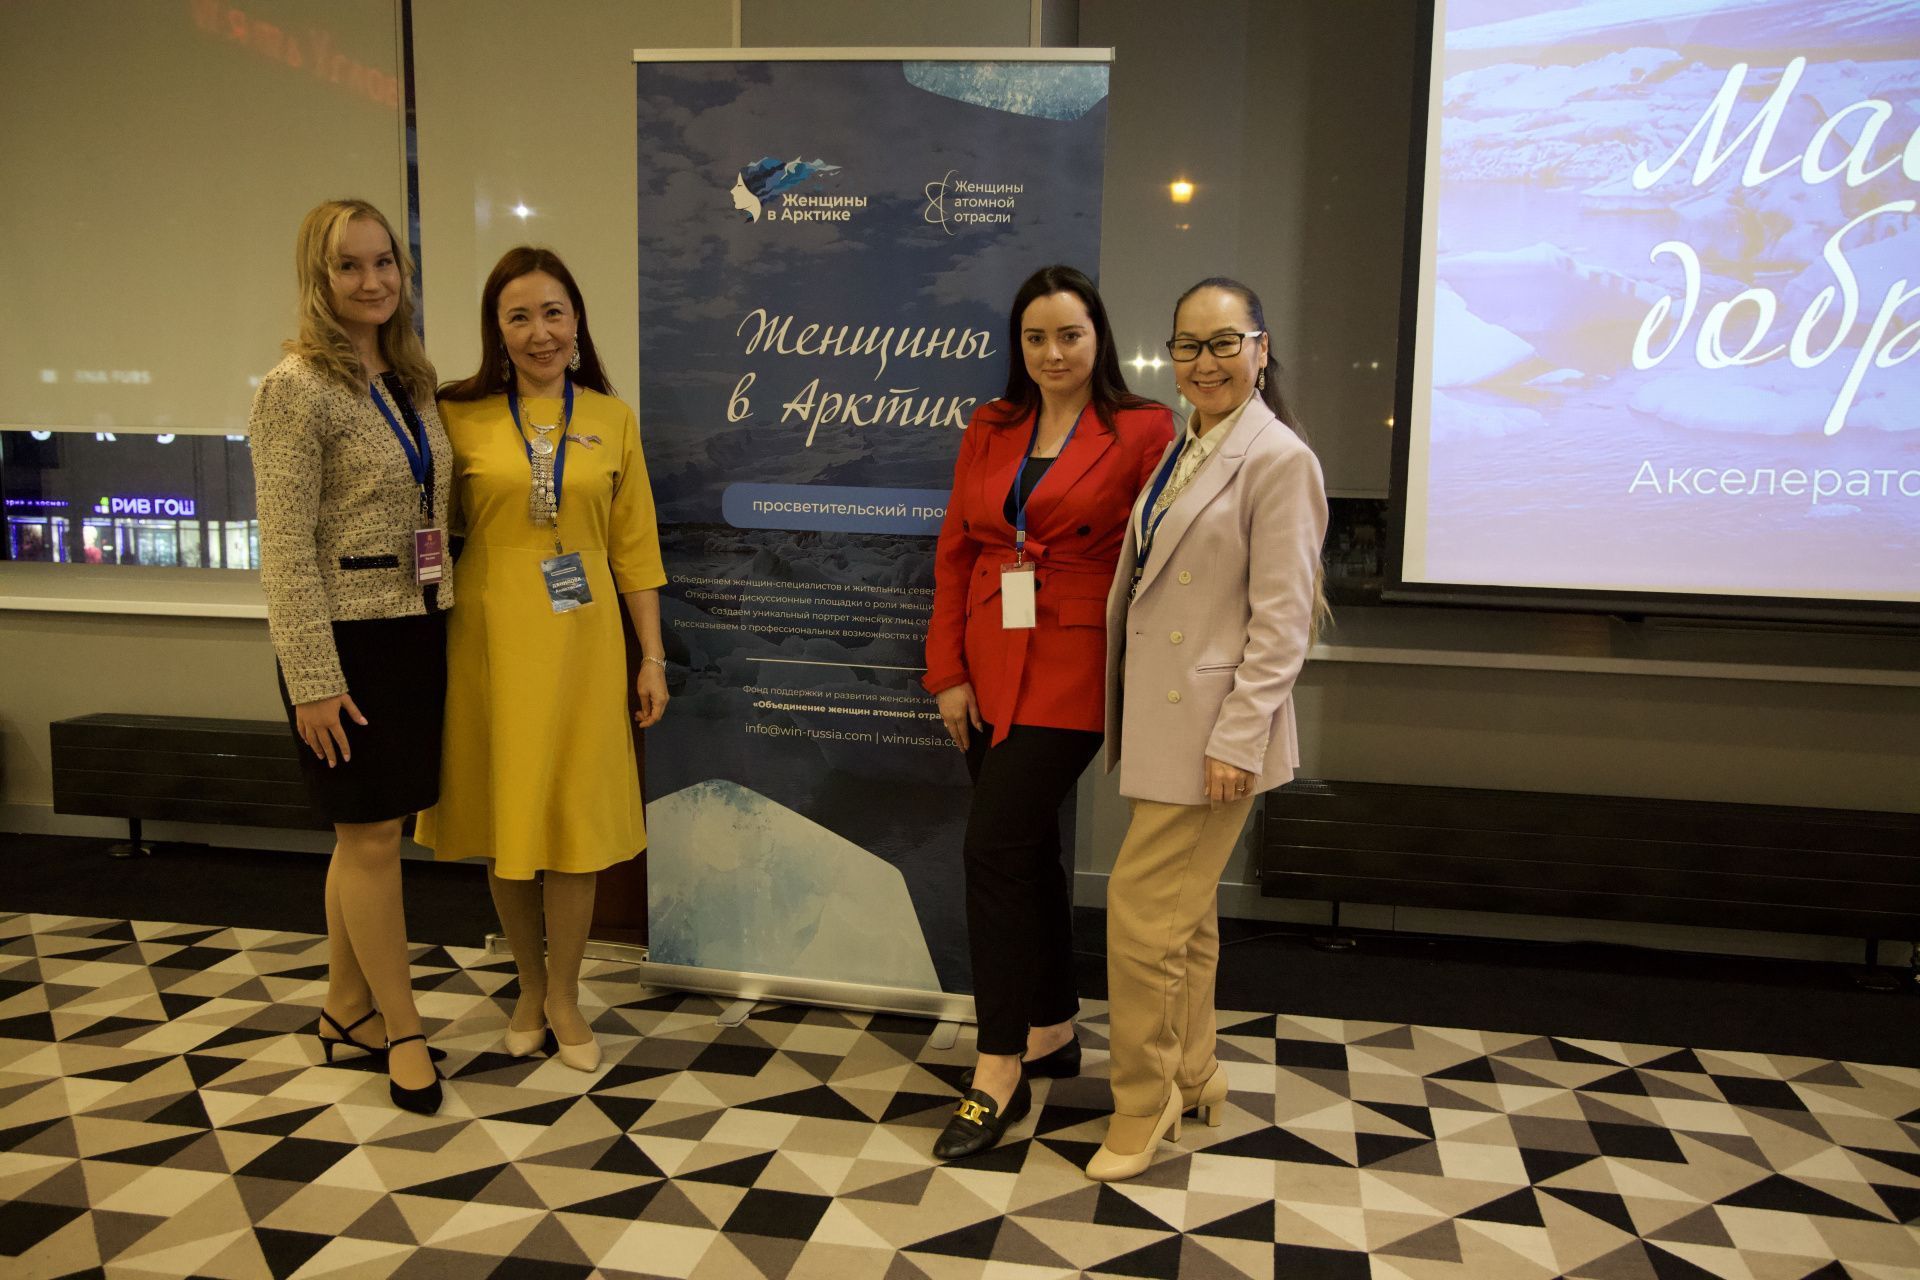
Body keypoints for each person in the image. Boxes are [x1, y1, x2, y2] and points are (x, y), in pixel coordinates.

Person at [922, 265, 1175, 1160]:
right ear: (1018, 346)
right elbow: (955, 552)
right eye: (1036, 337)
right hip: (989, 660)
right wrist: (947, 672)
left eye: (1070, 334)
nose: (1053, 353)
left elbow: (1162, 561)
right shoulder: (990, 425)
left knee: (993, 849)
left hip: (1076, 665)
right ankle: (1053, 1026)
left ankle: (998, 1067)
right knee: (1025, 851)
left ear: (1099, 337)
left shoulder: (1144, 428)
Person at [1088, 277, 1329, 1181]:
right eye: (1187, 345)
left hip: (1213, 736)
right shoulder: (1188, 445)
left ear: (1261, 349)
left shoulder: (1278, 458)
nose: (1205, 362)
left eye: (1225, 342)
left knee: (1140, 917)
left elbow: (1284, 622)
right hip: (1169, 724)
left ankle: (1141, 1102)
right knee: (1181, 922)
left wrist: (1237, 738)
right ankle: (1193, 1073)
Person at [415, 247, 668, 1074]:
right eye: (518, 316)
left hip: (585, 642)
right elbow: (428, 533)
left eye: (553, 312)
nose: (539, 332)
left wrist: (652, 657)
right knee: (509, 820)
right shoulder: (459, 415)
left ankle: (565, 994)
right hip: (489, 640)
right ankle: (527, 986)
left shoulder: (612, 418)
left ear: (577, 320)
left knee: (572, 824)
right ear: (497, 329)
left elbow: (635, 551)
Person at [251, 199, 453, 1115]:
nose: (372, 281)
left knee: (368, 835)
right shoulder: (294, 388)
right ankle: (402, 1032)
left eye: (384, 262)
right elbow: (285, 549)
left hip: (416, 629)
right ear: (318, 277)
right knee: (369, 839)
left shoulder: (411, 378)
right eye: (349, 266)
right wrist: (312, 682)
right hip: (344, 644)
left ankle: (345, 1009)